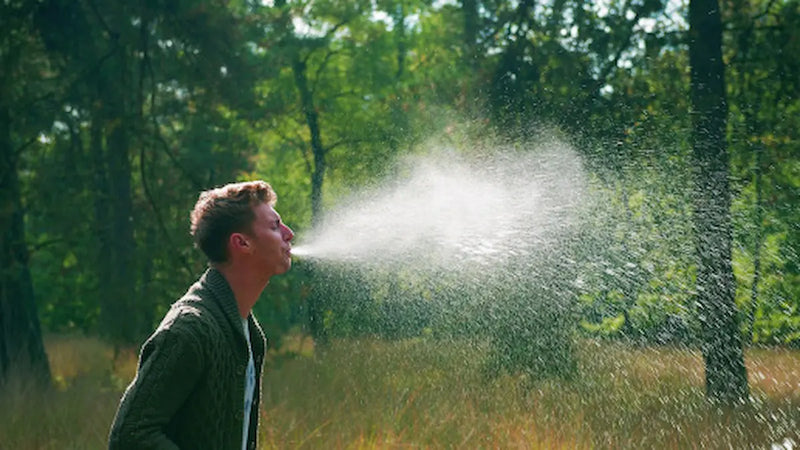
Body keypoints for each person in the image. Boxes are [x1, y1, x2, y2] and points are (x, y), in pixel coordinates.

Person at [108, 180, 294, 450]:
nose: (289, 233)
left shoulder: (250, 335)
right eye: (275, 226)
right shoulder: (188, 330)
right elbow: (130, 436)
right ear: (241, 243)